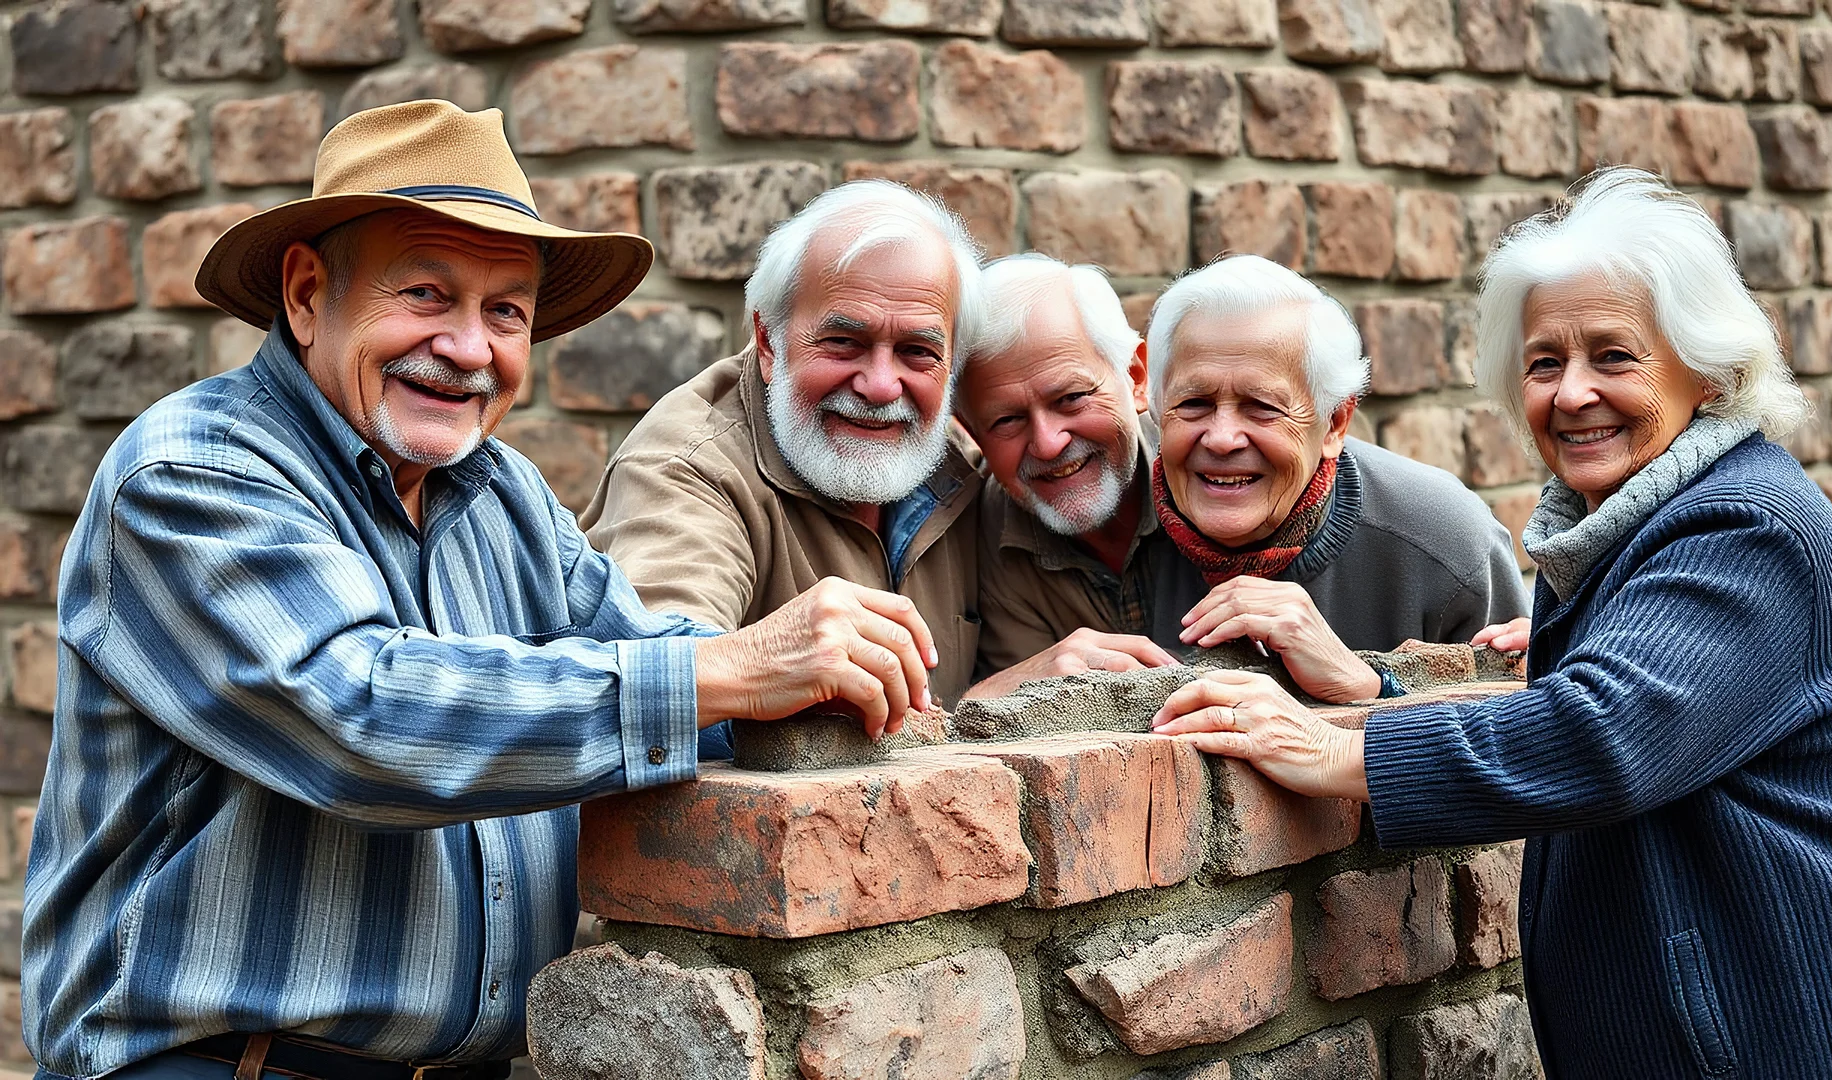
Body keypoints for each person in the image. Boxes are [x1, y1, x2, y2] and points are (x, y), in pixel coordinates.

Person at [25, 101, 940, 1080]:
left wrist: (940, 704)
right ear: (305, 296)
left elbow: (656, 671)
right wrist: (730, 666)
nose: (470, 349)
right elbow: (361, 715)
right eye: (426, 294)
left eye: (506, 311)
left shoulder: (504, 495)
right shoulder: (192, 472)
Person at [1154, 169, 1832, 1077]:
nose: (1572, 392)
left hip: (1789, 1029)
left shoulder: (1744, 525)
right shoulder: (1619, 524)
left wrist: (1335, 751)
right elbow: (1596, 741)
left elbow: (1604, 736)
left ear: (1707, 373)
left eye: (1614, 356)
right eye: (1545, 362)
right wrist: (1376, 702)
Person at [582, 181, 986, 706]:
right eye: (844, 342)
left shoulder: (961, 474)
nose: (882, 385)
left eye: (917, 351)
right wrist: (977, 719)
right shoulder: (684, 468)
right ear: (770, 342)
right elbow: (655, 687)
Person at [1143, 255, 1528, 702]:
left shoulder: (1445, 544)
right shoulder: (1116, 531)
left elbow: (1519, 748)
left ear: (1334, 424)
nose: (1223, 438)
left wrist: (1368, 687)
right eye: (1193, 403)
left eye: (1262, 407)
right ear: (1155, 408)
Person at [958, 254, 1178, 698]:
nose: (1047, 443)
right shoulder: (972, 536)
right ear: (970, 431)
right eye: (1006, 421)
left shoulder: (1222, 480)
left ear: (1136, 377)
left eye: (1072, 398)